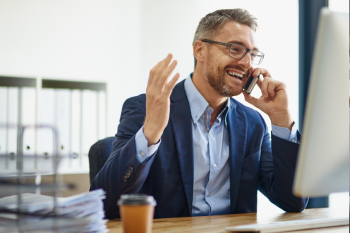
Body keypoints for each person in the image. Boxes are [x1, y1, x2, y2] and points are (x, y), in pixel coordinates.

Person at [90, 8, 308, 220]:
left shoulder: (253, 123)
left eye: (252, 54)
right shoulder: (146, 109)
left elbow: (293, 201)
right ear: (199, 50)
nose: (246, 63)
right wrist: (150, 133)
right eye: (235, 48)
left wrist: (281, 119)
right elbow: (103, 204)